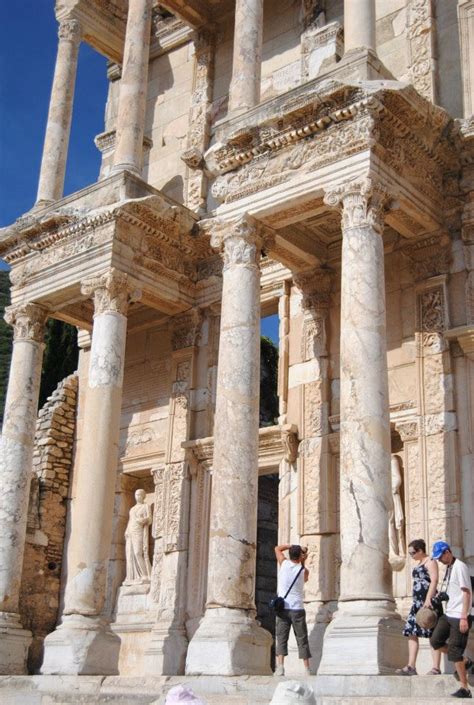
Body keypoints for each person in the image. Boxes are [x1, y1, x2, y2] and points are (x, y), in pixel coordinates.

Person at [430, 541, 473, 699]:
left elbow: (467, 593)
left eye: (441, 556)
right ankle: (466, 661)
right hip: (449, 613)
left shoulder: (460, 566)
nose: (440, 560)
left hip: (459, 615)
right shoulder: (449, 567)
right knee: (435, 641)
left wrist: (464, 617)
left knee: (455, 652)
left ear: (448, 552)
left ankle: (465, 688)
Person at [396, 538, 440, 675]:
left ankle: (436, 667)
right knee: (411, 632)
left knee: (433, 634)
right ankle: (411, 666)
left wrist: (428, 599)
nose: (411, 556)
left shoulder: (431, 561)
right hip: (417, 603)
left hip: (428, 602)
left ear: (420, 551)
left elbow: (434, 581)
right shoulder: (420, 562)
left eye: (413, 553)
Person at [274, 543, 311, 677]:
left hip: (283, 608)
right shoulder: (303, 571)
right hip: (297, 609)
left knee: (281, 637)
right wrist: (304, 559)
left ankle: (280, 667)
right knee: (302, 638)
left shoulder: (283, 564)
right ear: (300, 557)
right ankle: (307, 669)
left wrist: (291, 546)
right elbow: (305, 578)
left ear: (289, 554)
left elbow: (277, 548)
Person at [124, 488, 152, 584]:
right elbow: (130, 520)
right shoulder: (132, 509)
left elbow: (150, 519)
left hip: (139, 530)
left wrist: (143, 520)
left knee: (137, 552)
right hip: (131, 531)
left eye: (139, 494)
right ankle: (132, 577)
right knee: (130, 554)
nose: (137, 496)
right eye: (136, 494)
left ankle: (145, 575)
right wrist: (127, 531)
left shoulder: (146, 506)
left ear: (143, 496)